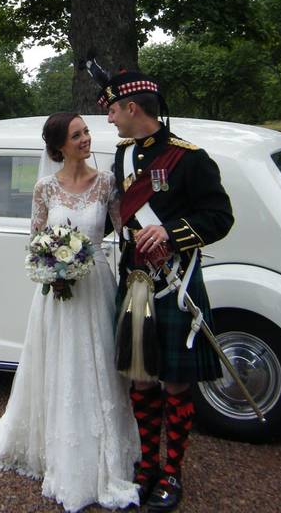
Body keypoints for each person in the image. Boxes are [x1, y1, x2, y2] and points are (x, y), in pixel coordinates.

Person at [0, 113, 140, 512]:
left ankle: (107, 448)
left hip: (97, 282)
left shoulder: (106, 184)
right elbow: (36, 241)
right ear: (58, 147)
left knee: (98, 361)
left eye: (85, 132)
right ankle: (61, 449)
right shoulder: (45, 188)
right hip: (59, 291)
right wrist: (55, 268)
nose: (85, 139)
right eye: (76, 135)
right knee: (63, 364)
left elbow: (125, 230)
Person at [92, 63, 234, 512]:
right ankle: (146, 466)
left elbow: (220, 216)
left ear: (132, 107)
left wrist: (172, 233)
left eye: (113, 110)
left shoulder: (190, 158)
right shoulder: (123, 154)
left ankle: (172, 472)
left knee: (174, 382)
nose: (110, 119)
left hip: (177, 284)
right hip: (135, 279)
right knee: (141, 375)